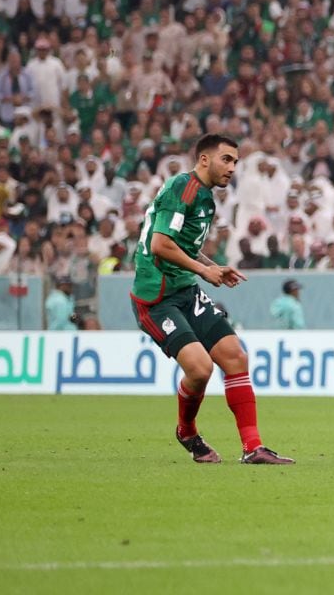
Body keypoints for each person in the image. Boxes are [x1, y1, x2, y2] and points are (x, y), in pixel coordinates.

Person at [129, 134, 292, 464]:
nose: (232, 167)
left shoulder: (204, 198)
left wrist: (210, 265)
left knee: (235, 356)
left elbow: (182, 246)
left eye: (235, 161)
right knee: (200, 369)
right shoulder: (182, 188)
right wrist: (204, 273)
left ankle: (253, 447)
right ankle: (186, 431)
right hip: (155, 297)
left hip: (185, 289)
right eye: (227, 159)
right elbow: (160, 244)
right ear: (204, 159)